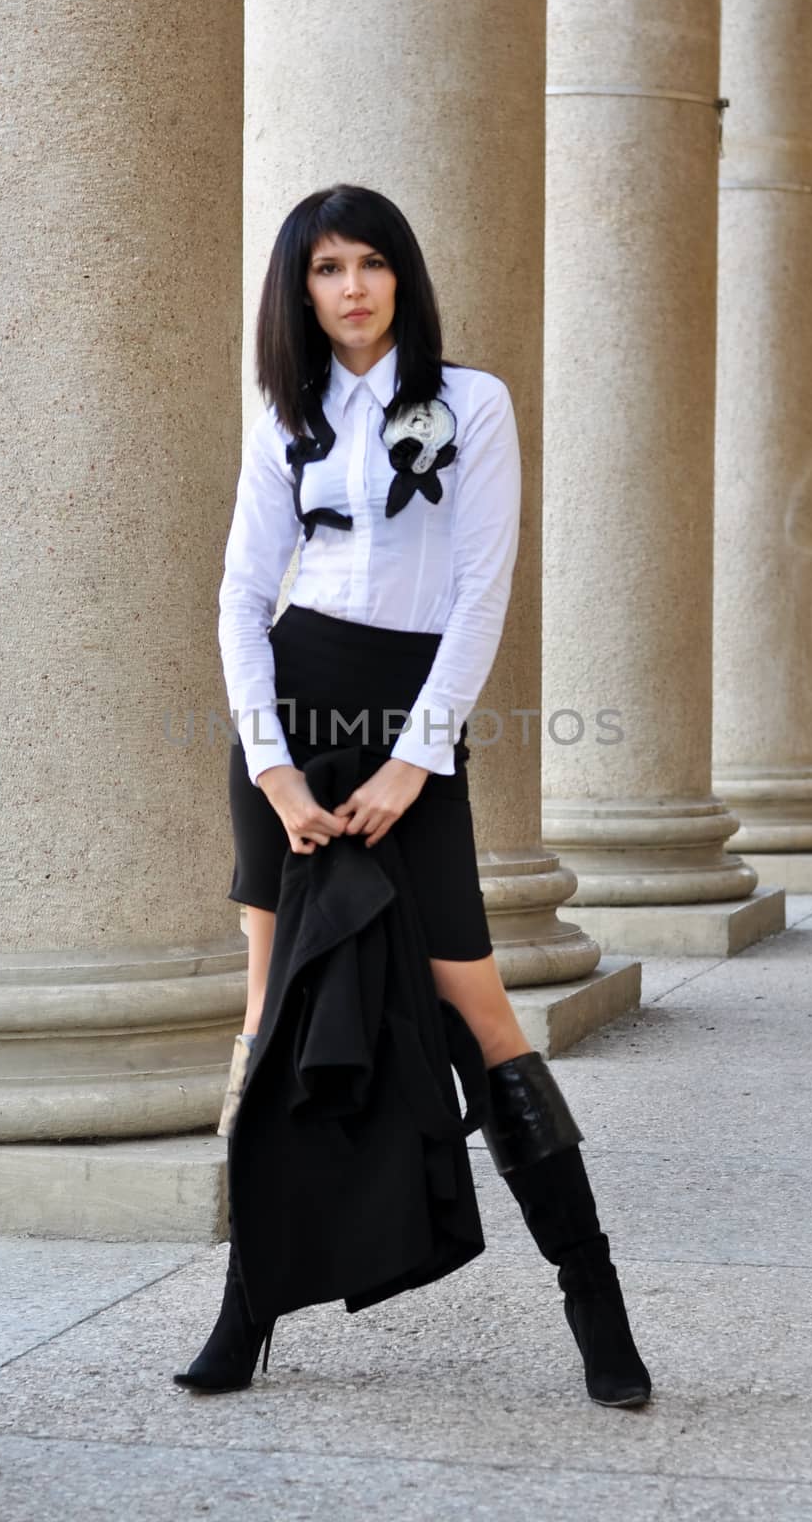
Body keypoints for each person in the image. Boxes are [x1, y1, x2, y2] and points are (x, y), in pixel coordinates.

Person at [173, 183, 651, 1408]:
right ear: (300, 287)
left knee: (476, 1007)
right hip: (291, 706)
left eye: (370, 263)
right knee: (270, 1013)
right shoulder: (283, 409)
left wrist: (414, 759)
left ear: (403, 276)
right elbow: (240, 593)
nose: (351, 288)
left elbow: (481, 592)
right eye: (326, 267)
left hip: (410, 721)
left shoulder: (473, 403)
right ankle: (247, 1307)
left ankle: (592, 1297)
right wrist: (272, 765)